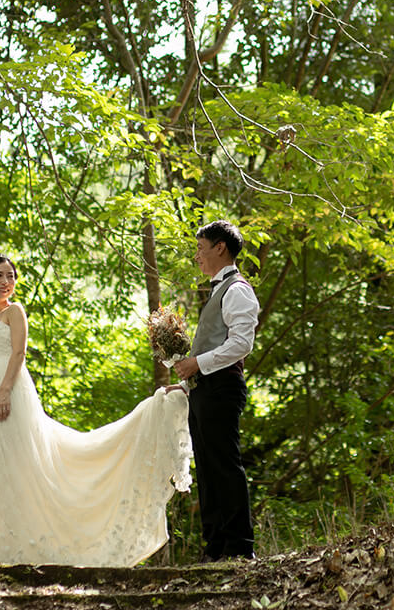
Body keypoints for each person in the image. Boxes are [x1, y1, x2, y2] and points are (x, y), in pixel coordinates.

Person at [0, 253, 192, 567]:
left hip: (9, 395)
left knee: (18, 465)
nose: (6, 282)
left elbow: (18, 352)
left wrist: (4, 389)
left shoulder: (14, 312)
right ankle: (1, 547)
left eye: (10, 276)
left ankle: (31, 543)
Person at [172, 221, 259, 561]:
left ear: (220, 248)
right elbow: (214, 343)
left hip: (223, 388)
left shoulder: (237, 290)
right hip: (205, 389)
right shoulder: (217, 291)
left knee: (223, 465)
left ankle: (240, 548)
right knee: (207, 470)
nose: (197, 256)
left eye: (201, 249)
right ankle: (216, 549)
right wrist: (183, 382)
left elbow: (241, 344)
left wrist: (197, 364)